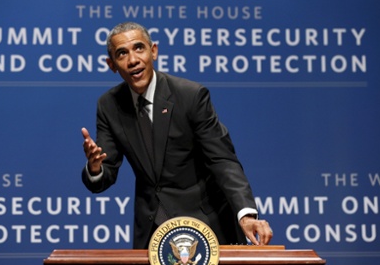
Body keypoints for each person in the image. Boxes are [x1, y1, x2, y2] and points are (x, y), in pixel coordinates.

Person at [81, 21, 273, 249]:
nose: (133, 60)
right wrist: (95, 168)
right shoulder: (109, 105)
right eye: (122, 53)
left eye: (139, 48)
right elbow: (106, 172)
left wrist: (246, 214)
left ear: (153, 51)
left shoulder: (190, 96)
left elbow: (222, 160)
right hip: (153, 233)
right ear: (111, 64)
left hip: (205, 225)